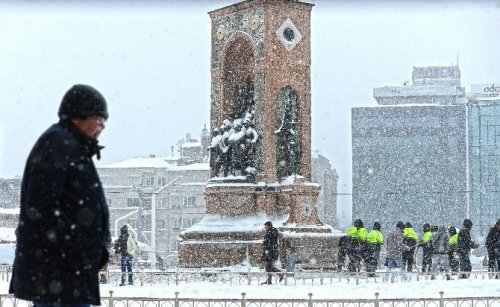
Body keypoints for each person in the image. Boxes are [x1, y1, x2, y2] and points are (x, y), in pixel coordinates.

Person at [9, 84, 111, 307]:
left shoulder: (69, 145)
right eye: (98, 118)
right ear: (78, 116)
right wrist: (84, 247)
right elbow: (42, 209)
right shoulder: (58, 144)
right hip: (58, 275)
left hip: (63, 274)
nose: (102, 125)